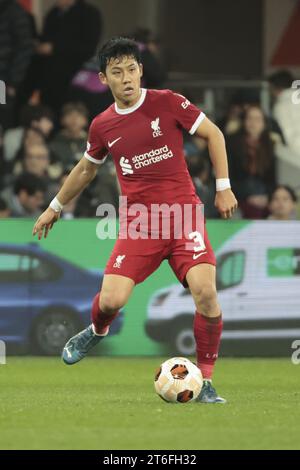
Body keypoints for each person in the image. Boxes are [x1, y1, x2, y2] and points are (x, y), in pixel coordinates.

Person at [32, 37, 237, 404]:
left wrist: (223, 187)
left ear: (140, 70)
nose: (126, 78)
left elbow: (214, 134)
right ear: (103, 78)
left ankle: (205, 382)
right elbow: (84, 170)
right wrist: (55, 206)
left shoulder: (168, 102)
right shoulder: (103, 125)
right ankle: (96, 330)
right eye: (116, 72)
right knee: (111, 300)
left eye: (131, 69)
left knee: (206, 293)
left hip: (184, 216)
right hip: (140, 224)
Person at [227, 105, 277, 219]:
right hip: (238, 196)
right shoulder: (232, 144)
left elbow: (272, 181)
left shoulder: (270, 145)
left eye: (258, 119)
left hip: (263, 197)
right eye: (250, 118)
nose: (253, 123)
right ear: (244, 122)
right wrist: (247, 197)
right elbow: (228, 178)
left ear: (264, 123)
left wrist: (266, 197)